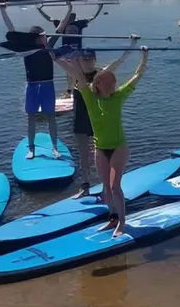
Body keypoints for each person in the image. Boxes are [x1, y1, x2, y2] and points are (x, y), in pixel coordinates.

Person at [54, 46, 149, 237]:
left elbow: (137, 74)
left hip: (118, 148)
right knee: (106, 189)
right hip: (100, 148)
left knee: (115, 186)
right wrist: (54, 57)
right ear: (99, 84)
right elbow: (76, 74)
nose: (113, 85)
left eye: (113, 82)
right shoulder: (89, 97)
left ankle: (122, 223)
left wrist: (144, 56)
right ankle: (112, 219)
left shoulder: (119, 96)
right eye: (109, 82)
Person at [50, 37, 138, 198]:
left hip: (99, 122)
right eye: (84, 58)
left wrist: (133, 45)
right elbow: (56, 59)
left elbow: (120, 61)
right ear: (79, 60)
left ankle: (106, 188)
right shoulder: (75, 74)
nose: (87, 62)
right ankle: (85, 186)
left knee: (103, 155)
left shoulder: (101, 74)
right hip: (81, 119)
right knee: (84, 155)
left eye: (90, 58)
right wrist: (51, 51)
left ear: (95, 59)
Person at [1, 2, 73, 159]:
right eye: (42, 36)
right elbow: (11, 31)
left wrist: (69, 9)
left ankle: (54, 148)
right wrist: (3, 11)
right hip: (32, 87)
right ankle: (31, 149)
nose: (46, 38)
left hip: (48, 85)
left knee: (51, 117)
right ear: (36, 38)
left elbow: (60, 28)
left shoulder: (49, 45)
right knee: (31, 118)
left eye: (45, 35)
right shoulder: (25, 48)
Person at [38, 3, 105, 96]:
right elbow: (49, 18)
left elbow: (93, 17)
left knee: (78, 70)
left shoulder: (79, 23)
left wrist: (100, 7)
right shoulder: (62, 23)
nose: (69, 20)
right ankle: (71, 90)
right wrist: (40, 9)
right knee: (67, 70)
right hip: (64, 50)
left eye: (71, 18)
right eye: (68, 18)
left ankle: (79, 87)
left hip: (76, 50)